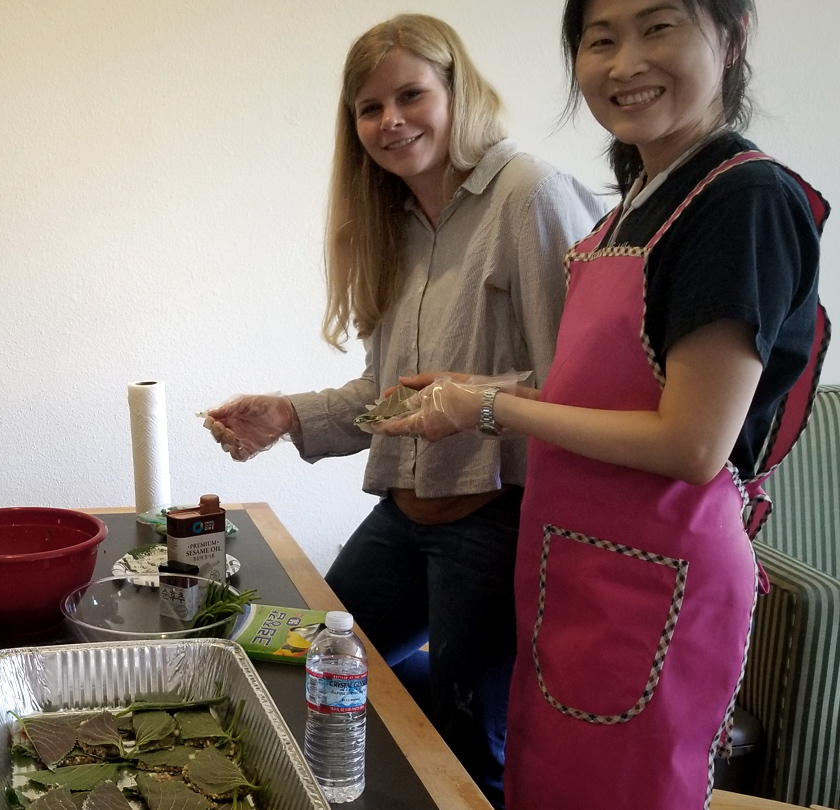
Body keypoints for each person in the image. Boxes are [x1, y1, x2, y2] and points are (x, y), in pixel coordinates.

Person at [374, 0, 828, 807]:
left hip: (660, 581)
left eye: (658, 28)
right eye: (600, 39)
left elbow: (692, 443)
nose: (624, 65)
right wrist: (487, 391)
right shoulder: (636, 204)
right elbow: (600, 394)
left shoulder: (743, 201)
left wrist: (493, 411)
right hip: (578, 566)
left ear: (732, 38)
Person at [202, 14, 604, 805]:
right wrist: (288, 414)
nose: (392, 121)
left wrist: (478, 403)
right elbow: (389, 395)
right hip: (406, 513)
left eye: (411, 95)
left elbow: (579, 391)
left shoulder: (531, 196)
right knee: (315, 664)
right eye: (369, 108)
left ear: (458, 92)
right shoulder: (394, 226)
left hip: (499, 518)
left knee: (469, 743)